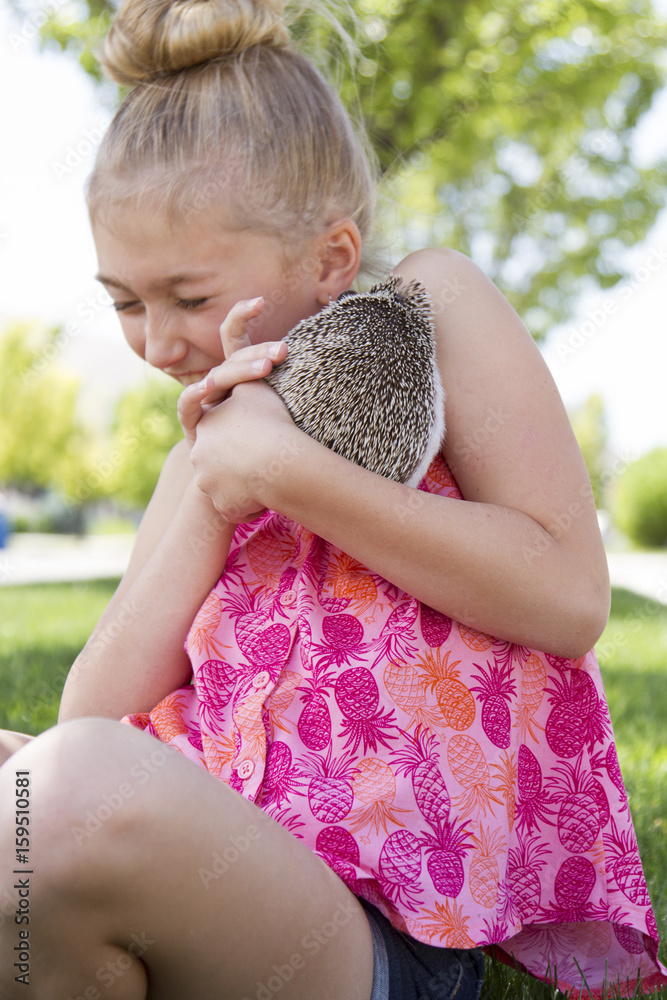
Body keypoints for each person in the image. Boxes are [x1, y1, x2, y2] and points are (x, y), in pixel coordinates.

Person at [0, 1, 664, 997]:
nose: (154, 341)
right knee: (29, 792)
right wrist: (214, 496)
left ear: (331, 260)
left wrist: (288, 474)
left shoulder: (426, 307)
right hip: (200, 881)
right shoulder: (208, 445)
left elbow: (566, 593)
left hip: (370, 934)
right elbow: (91, 715)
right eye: (123, 302)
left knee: (46, 804)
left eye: (186, 295)